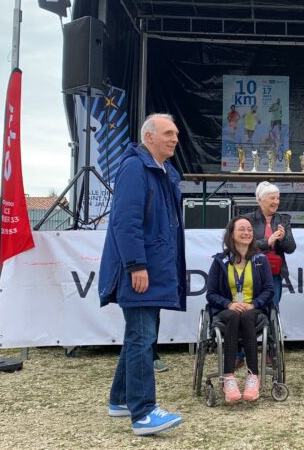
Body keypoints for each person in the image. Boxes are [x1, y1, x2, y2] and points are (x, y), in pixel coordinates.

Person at [98, 113, 186, 436]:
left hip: (156, 271)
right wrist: (136, 264)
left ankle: (121, 399)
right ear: (149, 137)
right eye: (168, 133)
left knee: (139, 335)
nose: (175, 139)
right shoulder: (135, 168)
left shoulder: (165, 172)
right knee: (142, 337)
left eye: (176, 133)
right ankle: (144, 412)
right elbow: (125, 220)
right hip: (139, 271)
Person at [206, 216, 276, 403]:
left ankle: (253, 376)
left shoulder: (260, 259)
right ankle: (228, 377)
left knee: (246, 316)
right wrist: (228, 304)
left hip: (253, 309)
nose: (247, 233)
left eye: (249, 230)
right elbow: (211, 293)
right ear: (231, 234)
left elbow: (269, 289)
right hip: (227, 310)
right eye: (242, 229)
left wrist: (254, 304)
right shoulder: (220, 261)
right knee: (234, 316)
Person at [248, 181, 296, 304]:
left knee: (273, 307)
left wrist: (282, 239)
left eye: (278, 198)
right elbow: (242, 245)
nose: (276, 202)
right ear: (260, 200)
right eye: (272, 198)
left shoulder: (283, 220)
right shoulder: (247, 219)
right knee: (251, 305)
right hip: (250, 270)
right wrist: (267, 242)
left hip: (273, 271)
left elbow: (291, 248)